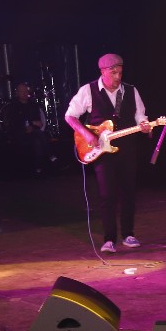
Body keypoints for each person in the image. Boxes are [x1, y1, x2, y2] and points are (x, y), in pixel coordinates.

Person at [65, 53, 152, 251]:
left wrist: (145, 125)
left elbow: (140, 116)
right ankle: (109, 239)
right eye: (113, 73)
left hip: (127, 148)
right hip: (101, 150)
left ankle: (128, 234)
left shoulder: (131, 90)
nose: (118, 77)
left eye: (120, 72)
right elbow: (70, 116)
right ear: (103, 72)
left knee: (129, 192)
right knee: (107, 194)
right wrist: (86, 134)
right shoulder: (88, 90)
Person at [5, 81, 50, 175]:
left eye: (26, 91)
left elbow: (38, 121)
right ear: (17, 93)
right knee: (38, 136)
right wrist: (29, 124)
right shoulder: (13, 106)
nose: (25, 93)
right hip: (19, 132)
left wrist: (32, 126)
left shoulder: (33, 105)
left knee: (37, 140)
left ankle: (38, 167)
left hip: (33, 131)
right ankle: (50, 156)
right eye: (22, 91)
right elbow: (14, 122)